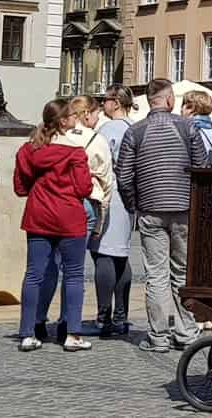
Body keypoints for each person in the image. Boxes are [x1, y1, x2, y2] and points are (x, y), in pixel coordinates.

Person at [116, 79, 206, 352]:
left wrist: (135, 204)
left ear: (148, 101)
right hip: (183, 208)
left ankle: (158, 337)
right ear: (169, 100)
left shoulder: (135, 131)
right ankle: (186, 333)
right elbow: (202, 168)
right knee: (181, 272)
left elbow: (123, 175)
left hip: (150, 209)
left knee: (156, 275)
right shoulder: (188, 127)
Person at [14, 100, 93, 352]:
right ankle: (72, 334)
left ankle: (27, 333)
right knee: (73, 275)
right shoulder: (75, 152)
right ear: (63, 122)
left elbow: (20, 187)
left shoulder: (29, 150)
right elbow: (84, 188)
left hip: (38, 215)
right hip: (69, 217)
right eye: (72, 115)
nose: (75, 119)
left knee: (34, 274)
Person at [34, 95, 113, 343]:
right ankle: (67, 324)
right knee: (74, 271)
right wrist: (101, 221)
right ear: (85, 113)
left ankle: (37, 321)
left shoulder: (48, 139)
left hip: (50, 205)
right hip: (85, 204)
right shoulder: (96, 140)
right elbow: (107, 183)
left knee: (48, 267)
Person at [92, 85, 137, 337]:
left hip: (107, 196)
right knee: (121, 255)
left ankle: (103, 315)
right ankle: (121, 314)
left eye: (105, 100)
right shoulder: (134, 128)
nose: (102, 105)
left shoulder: (106, 131)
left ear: (116, 103)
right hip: (128, 198)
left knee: (104, 254)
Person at [180, 90, 212, 331]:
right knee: (205, 258)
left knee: (189, 260)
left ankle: (195, 315)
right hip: (210, 198)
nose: (181, 110)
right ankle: (207, 315)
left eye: (184, 105)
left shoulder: (189, 129)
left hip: (191, 194)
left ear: (191, 108)